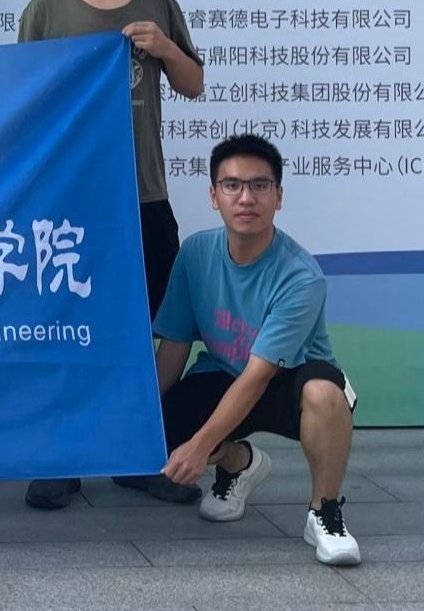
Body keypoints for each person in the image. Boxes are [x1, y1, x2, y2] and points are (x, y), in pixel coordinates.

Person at [20, 0, 206, 510]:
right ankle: (63, 458)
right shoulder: (47, 10)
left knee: (151, 329)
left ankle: (138, 454)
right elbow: (23, 100)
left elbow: (193, 84)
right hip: (71, 200)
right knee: (66, 328)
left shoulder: (158, 4)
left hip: (143, 195)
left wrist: (164, 47)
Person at [152, 134, 361, 565]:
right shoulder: (195, 254)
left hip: (289, 381)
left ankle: (324, 512)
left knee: (325, 394)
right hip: (224, 374)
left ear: (278, 196)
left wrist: (199, 447)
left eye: (260, 185)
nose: (246, 198)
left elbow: (258, 375)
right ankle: (238, 463)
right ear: (214, 196)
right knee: (160, 427)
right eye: (232, 185)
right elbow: (173, 348)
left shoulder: (301, 276)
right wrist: (141, 423)